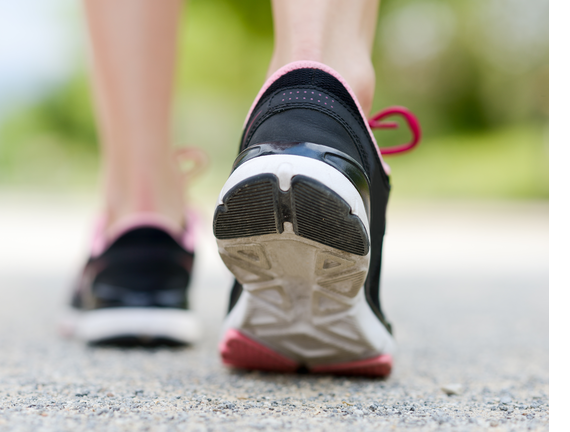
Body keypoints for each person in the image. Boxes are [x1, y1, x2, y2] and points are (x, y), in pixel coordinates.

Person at [61, 0, 420, 377]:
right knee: (321, 66)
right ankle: (322, 106)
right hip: (328, 124)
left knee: (138, 198)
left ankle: (137, 221)